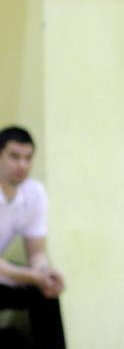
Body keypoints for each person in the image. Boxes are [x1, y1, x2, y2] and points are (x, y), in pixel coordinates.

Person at [0, 126, 66, 349]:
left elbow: (36, 252)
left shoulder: (34, 193)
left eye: (28, 158)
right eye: (14, 156)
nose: (22, 165)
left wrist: (44, 273)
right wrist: (33, 276)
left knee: (45, 291)